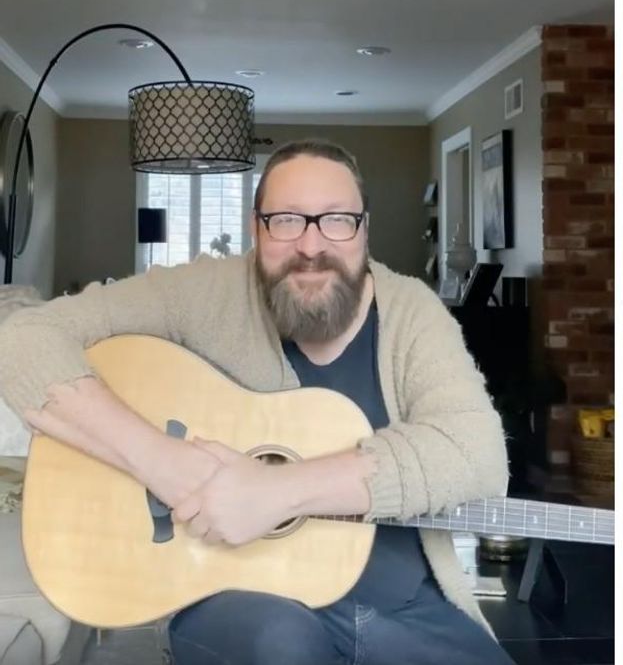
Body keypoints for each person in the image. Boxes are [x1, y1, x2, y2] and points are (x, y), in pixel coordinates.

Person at [0, 139, 514, 664]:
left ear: (364, 230)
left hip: (406, 609)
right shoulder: (201, 293)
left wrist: (278, 491)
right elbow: (21, 339)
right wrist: (163, 463)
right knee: (279, 649)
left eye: (337, 220)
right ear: (255, 228)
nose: (312, 246)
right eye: (286, 220)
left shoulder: (412, 312)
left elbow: (476, 452)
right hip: (242, 600)